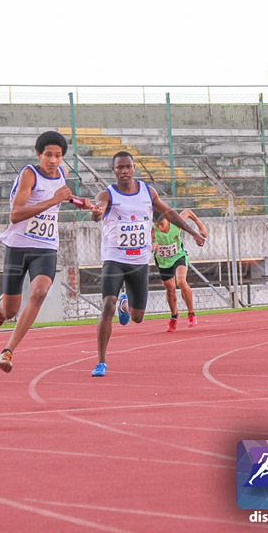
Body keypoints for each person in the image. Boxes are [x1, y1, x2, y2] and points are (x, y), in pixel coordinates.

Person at [89, 151, 206, 377]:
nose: (124, 171)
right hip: (114, 258)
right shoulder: (108, 194)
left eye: (127, 167)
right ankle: (101, 361)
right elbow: (98, 210)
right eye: (119, 167)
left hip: (139, 261)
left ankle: (125, 304)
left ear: (134, 168)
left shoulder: (147, 192)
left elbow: (169, 213)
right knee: (106, 306)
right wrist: (96, 213)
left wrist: (192, 232)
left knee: (137, 317)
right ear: (113, 170)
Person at [0, 131, 91, 373]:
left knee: (39, 292)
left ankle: (7, 351)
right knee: (10, 310)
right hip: (18, 245)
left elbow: (61, 197)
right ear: (39, 154)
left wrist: (81, 203)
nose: (53, 160)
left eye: (58, 156)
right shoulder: (29, 174)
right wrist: (53, 200)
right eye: (48, 155)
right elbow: (15, 215)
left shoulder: (62, 174)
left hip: (46, 245)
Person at [152, 209, 208, 331]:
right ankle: (174, 316)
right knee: (170, 290)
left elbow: (187, 212)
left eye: (162, 224)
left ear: (167, 220)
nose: (160, 228)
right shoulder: (152, 229)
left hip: (178, 257)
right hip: (163, 262)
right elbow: (147, 241)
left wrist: (200, 225)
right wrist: (152, 245)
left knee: (181, 282)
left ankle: (191, 313)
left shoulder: (175, 224)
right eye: (158, 226)